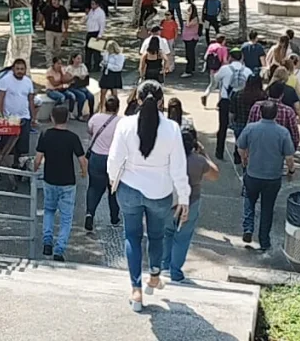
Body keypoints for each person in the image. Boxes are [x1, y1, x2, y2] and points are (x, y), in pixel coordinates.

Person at [108, 80, 190, 312]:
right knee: (156, 236)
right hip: (159, 192)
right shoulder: (172, 128)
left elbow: (114, 160)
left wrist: (113, 181)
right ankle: (154, 274)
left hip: (129, 189)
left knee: (132, 236)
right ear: (162, 102)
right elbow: (178, 168)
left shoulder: (125, 125)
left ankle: (136, 290)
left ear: (138, 100)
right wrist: (183, 197)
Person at [161, 125, 219, 283]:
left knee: (167, 233)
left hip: (170, 200)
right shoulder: (199, 161)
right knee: (182, 237)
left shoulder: (168, 157)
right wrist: (204, 153)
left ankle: (163, 266)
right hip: (191, 201)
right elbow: (214, 174)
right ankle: (175, 271)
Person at [237, 101, 296, 251]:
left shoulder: (251, 128)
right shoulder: (283, 132)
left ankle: (248, 228)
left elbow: (240, 146)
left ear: (260, 112)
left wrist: (244, 159)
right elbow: (289, 157)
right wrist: (291, 171)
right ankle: (264, 240)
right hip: (273, 176)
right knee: (267, 208)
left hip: (253, 172)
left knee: (249, 200)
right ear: (275, 114)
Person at [34, 105, 86, 262]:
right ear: (68, 118)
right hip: (68, 182)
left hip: (49, 179)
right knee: (66, 217)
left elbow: (37, 159)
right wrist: (84, 172)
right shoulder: (73, 137)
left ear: (52, 118)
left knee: (49, 211)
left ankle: (47, 242)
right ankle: (59, 250)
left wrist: (34, 170)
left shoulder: (45, 134)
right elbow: (82, 160)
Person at [84, 96, 122, 231]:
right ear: (117, 108)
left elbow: (89, 131)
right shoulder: (121, 122)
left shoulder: (95, 118)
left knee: (93, 187)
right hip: (113, 159)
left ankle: (90, 213)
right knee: (114, 190)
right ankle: (114, 218)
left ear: (104, 106)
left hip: (96, 157)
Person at [0, 59, 38, 163]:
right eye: (17, 69)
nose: (20, 71)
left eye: (22, 69)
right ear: (13, 69)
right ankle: (2, 166)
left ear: (25, 70)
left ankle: (18, 167)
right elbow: (0, 98)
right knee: (6, 145)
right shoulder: (5, 80)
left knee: (22, 147)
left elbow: (31, 100)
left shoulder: (28, 81)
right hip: (9, 118)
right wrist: (1, 115)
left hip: (24, 118)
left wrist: (33, 117)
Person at [213, 48, 251, 159]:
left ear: (230, 57)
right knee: (239, 127)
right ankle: (237, 154)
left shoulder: (225, 69)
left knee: (223, 126)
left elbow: (216, 79)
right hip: (241, 100)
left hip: (226, 100)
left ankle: (219, 151)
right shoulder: (247, 71)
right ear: (242, 58)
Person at [249, 81, 300, 151]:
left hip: (257, 145)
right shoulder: (288, 111)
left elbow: (249, 126)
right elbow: (295, 134)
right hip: (278, 147)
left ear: (268, 92)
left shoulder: (256, 106)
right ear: (282, 95)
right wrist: (291, 149)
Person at [229, 75, 266, 162]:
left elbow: (232, 112)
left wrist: (232, 123)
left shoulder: (237, 94)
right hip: (256, 126)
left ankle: (238, 159)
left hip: (240, 124)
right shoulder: (263, 96)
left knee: (239, 144)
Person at [40, 0, 69, 66]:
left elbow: (66, 20)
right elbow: (41, 16)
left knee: (57, 48)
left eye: (56, 0)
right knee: (49, 47)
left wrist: (66, 30)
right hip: (49, 30)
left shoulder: (62, 9)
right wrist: (42, 25)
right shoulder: (47, 8)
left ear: (59, 1)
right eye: (53, 0)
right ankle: (49, 63)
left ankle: (56, 62)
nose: (54, 2)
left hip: (58, 31)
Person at [201, 34, 228, 107]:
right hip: (221, 70)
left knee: (212, 84)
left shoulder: (211, 46)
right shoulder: (223, 48)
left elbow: (205, 57)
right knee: (221, 86)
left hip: (212, 69)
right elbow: (224, 60)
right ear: (223, 41)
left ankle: (205, 95)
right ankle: (219, 102)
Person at [65, 53, 94, 121]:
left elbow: (86, 74)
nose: (79, 60)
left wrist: (83, 77)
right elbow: (66, 79)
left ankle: (91, 113)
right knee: (82, 96)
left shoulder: (83, 66)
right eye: (78, 58)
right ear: (73, 59)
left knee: (91, 96)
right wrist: (74, 77)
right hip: (73, 87)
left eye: (80, 59)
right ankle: (79, 114)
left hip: (82, 86)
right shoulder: (69, 68)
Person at [98, 41, 125, 110]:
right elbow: (104, 62)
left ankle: (115, 108)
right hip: (106, 74)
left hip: (114, 74)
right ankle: (102, 108)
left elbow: (119, 67)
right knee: (103, 91)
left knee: (114, 92)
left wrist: (108, 65)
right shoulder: (106, 53)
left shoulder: (120, 56)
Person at [84, 0, 106, 72]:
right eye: (91, 4)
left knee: (96, 51)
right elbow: (86, 20)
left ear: (97, 4)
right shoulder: (90, 11)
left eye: (93, 4)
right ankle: (88, 66)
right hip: (89, 32)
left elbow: (102, 24)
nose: (92, 5)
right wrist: (86, 14)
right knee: (88, 51)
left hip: (95, 32)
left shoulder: (100, 12)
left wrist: (100, 35)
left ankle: (96, 66)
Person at [180, 4, 200, 77]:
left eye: (190, 9)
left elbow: (188, 25)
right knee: (189, 54)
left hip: (191, 39)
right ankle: (191, 68)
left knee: (190, 54)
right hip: (187, 38)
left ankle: (189, 70)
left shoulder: (194, 19)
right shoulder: (189, 18)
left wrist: (188, 16)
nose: (188, 11)